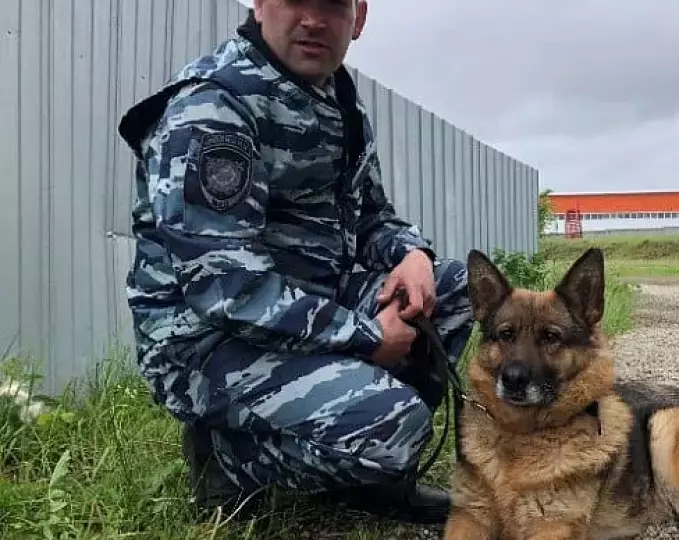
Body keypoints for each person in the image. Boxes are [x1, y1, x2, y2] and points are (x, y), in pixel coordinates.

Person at [116, 0, 475, 525]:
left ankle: (368, 474)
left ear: (359, 15)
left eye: (331, 4)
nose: (313, 19)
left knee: (452, 290)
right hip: (207, 344)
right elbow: (227, 288)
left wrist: (413, 255)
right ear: (260, 4)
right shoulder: (214, 108)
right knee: (397, 423)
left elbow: (372, 215)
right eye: (295, 0)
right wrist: (366, 337)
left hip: (312, 304)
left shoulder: (336, 99)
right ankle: (226, 460)